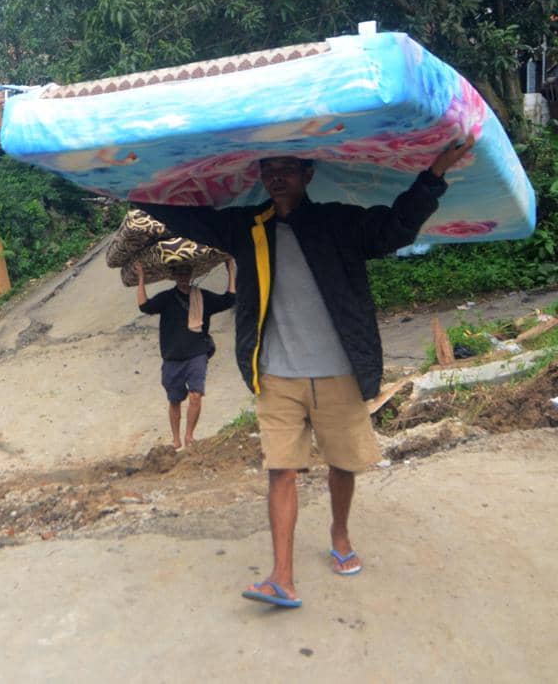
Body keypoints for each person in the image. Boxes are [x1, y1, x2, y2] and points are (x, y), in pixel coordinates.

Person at [134, 138, 474, 608]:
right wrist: (125, 187)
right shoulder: (246, 227)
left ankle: (339, 532)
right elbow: (189, 219)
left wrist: (435, 172)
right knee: (281, 471)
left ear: (308, 173)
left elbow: (396, 227)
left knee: (342, 463)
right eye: (268, 167)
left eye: (287, 167)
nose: (276, 175)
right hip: (276, 374)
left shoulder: (339, 222)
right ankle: (281, 577)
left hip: (339, 371)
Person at [136, 258, 236, 449]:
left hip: (197, 353)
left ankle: (189, 436)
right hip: (172, 357)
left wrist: (230, 270)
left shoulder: (202, 297)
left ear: (191, 275)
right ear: (173, 276)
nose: (183, 277)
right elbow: (144, 306)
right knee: (174, 401)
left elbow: (228, 300)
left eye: (186, 273)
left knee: (196, 395)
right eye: (179, 273)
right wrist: (141, 278)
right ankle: (176, 439)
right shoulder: (166, 298)